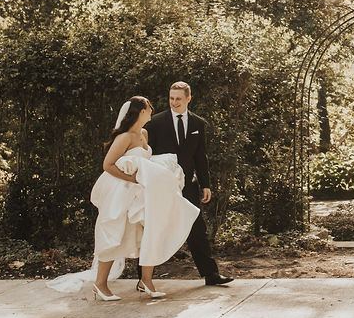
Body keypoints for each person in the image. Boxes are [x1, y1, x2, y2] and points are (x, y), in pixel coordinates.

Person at [48, 96, 200, 300]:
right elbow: (108, 165)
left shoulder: (144, 134)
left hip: (141, 192)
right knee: (115, 233)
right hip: (122, 191)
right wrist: (132, 177)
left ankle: (146, 282)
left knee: (150, 230)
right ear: (139, 112)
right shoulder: (125, 137)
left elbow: (142, 159)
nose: (151, 110)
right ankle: (100, 285)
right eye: (148, 107)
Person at [144, 81, 233, 286]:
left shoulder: (198, 123)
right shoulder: (155, 123)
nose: (174, 102)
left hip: (188, 186)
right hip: (162, 185)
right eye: (171, 98)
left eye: (178, 99)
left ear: (188, 99)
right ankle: (143, 278)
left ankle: (211, 275)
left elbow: (200, 156)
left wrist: (206, 184)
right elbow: (146, 154)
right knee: (155, 227)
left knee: (196, 228)